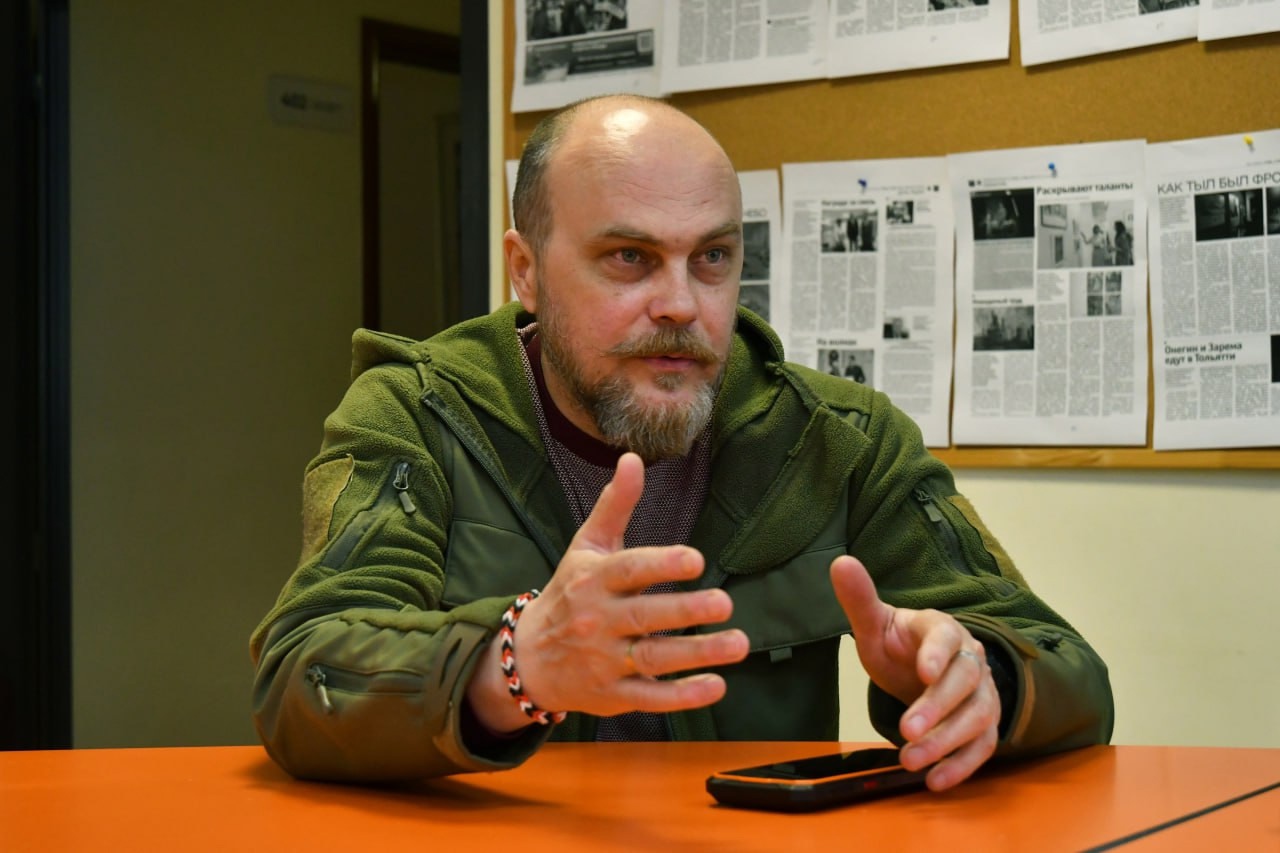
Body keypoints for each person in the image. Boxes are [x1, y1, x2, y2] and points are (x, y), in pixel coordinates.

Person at [250, 94, 1113, 790]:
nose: (681, 304)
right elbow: (301, 676)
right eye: (629, 257)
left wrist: (983, 679)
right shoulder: (417, 415)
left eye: (712, 258)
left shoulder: (838, 440)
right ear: (525, 270)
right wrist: (512, 664)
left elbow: (1071, 671)